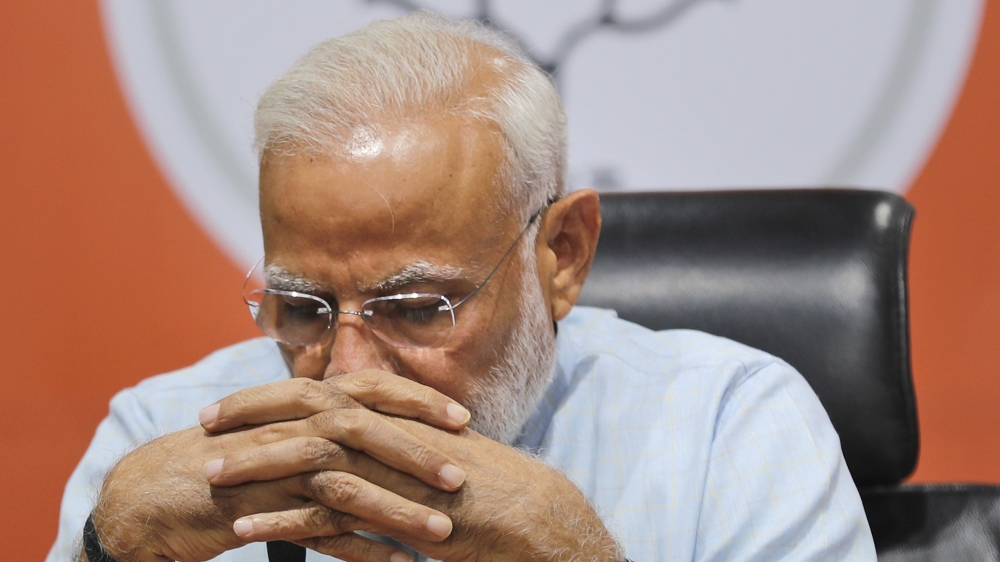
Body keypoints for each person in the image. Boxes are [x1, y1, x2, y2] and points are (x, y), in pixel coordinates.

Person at [49, 12, 876, 562]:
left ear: (562, 254)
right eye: (302, 308)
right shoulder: (157, 436)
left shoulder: (728, 429)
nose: (347, 376)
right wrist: (103, 550)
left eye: (415, 309)